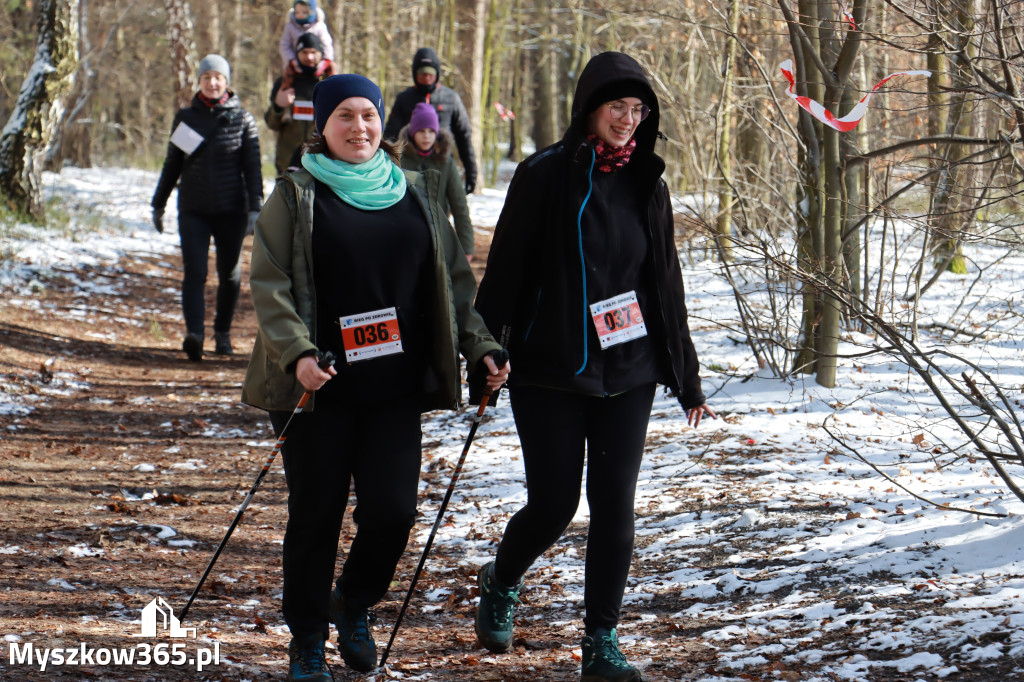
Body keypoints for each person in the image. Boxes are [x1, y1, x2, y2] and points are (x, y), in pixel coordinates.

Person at [240, 73, 510, 681]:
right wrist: (300, 354)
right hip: (320, 387)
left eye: (368, 115)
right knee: (317, 514)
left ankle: (354, 601)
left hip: (394, 387)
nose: (358, 127)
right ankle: (308, 639)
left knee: (393, 514)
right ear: (323, 126)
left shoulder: (415, 192)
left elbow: (452, 285)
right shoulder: (296, 195)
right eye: (345, 117)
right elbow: (271, 285)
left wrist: (481, 347)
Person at [470, 51, 717, 682]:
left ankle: (600, 641)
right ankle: (500, 581)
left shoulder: (648, 183)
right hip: (550, 369)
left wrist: (684, 376)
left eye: (638, 111)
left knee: (615, 506)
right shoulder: (544, 174)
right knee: (554, 504)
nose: (628, 121)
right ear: (590, 108)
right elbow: (505, 276)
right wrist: (486, 354)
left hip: (628, 371)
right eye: (618, 108)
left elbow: (664, 282)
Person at [151, 54, 263, 361]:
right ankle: (195, 335)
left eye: (218, 77)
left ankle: (223, 333)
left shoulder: (242, 120)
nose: (212, 82)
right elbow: (172, 165)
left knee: (229, 275)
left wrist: (256, 208)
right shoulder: (187, 119)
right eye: (206, 77)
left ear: (227, 83)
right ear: (199, 82)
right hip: (194, 210)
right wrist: (157, 205)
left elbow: (252, 168)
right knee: (195, 272)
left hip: (232, 211)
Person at [383, 47, 478, 195]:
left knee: (441, 212)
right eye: (422, 72)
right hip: (410, 169)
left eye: (431, 72)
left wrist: (471, 170)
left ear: (437, 73)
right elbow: (390, 136)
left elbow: (464, 136)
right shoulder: (404, 99)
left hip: (443, 167)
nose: (427, 76)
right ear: (415, 73)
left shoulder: (451, 98)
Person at [399, 102, 475, 262]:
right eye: (421, 131)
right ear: (413, 133)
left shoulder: (446, 162)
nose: (426, 136)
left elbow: (459, 205)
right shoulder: (399, 160)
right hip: (404, 235)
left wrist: (466, 247)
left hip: (437, 236)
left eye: (431, 131)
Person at [266, 34, 331, 175]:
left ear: (321, 53)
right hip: (287, 164)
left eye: (313, 52)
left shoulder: (330, 84)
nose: (309, 57)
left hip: (323, 164)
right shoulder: (284, 83)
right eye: (304, 52)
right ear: (297, 54)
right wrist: (278, 106)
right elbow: (272, 124)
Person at [279, 0, 334, 74]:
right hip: (297, 61)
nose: (300, 15)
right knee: (288, 72)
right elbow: (285, 45)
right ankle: (286, 85)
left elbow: (327, 44)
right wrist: (291, 60)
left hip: (317, 61)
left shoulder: (319, 26)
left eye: (304, 12)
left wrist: (325, 61)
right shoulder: (290, 27)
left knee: (332, 67)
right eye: (297, 12)